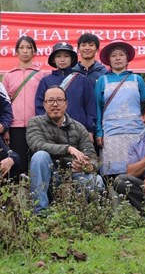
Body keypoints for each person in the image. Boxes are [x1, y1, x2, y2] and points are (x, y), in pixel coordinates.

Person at [26, 86, 104, 214]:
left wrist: (88, 166)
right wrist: (68, 149)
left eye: (59, 100)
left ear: (66, 104)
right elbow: (37, 144)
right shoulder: (35, 123)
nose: (55, 104)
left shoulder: (79, 128)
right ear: (44, 105)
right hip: (48, 175)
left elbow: (92, 156)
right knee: (40, 155)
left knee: (97, 181)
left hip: (73, 174)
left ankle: (85, 215)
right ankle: (40, 213)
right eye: (50, 101)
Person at [95, 40, 145, 179]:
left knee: (138, 170)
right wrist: (99, 132)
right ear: (108, 60)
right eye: (113, 55)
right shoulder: (102, 80)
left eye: (121, 55)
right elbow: (98, 109)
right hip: (111, 133)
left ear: (127, 58)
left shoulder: (137, 79)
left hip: (137, 132)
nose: (117, 58)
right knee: (113, 174)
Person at [2, 36, 48, 178]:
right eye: (21, 48)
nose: (25, 51)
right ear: (16, 52)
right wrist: (6, 129)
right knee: (17, 163)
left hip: (37, 126)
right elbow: (4, 105)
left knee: (37, 162)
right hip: (15, 127)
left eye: (29, 47)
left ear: (34, 51)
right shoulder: (8, 76)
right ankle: (18, 196)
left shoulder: (42, 74)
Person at [35, 42, 96, 137]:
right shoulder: (46, 81)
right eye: (58, 56)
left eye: (66, 56)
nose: (62, 59)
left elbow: (90, 106)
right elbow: (40, 106)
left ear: (71, 59)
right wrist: (47, 127)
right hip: (53, 132)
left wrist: (90, 130)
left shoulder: (83, 80)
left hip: (79, 130)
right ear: (54, 60)